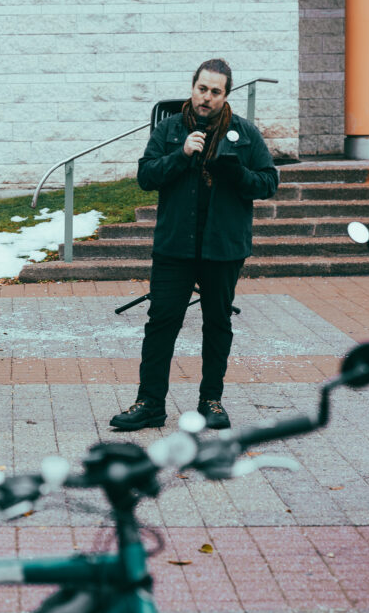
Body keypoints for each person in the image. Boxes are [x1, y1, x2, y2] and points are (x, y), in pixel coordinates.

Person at [111, 59, 279, 431]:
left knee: (217, 324)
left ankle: (211, 402)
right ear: (193, 87)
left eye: (215, 92)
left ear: (225, 95)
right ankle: (150, 403)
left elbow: (268, 183)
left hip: (223, 247)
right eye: (202, 89)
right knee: (161, 324)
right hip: (175, 248)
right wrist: (181, 154)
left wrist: (238, 174)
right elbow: (145, 176)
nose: (207, 98)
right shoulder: (170, 129)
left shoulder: (245, 134)